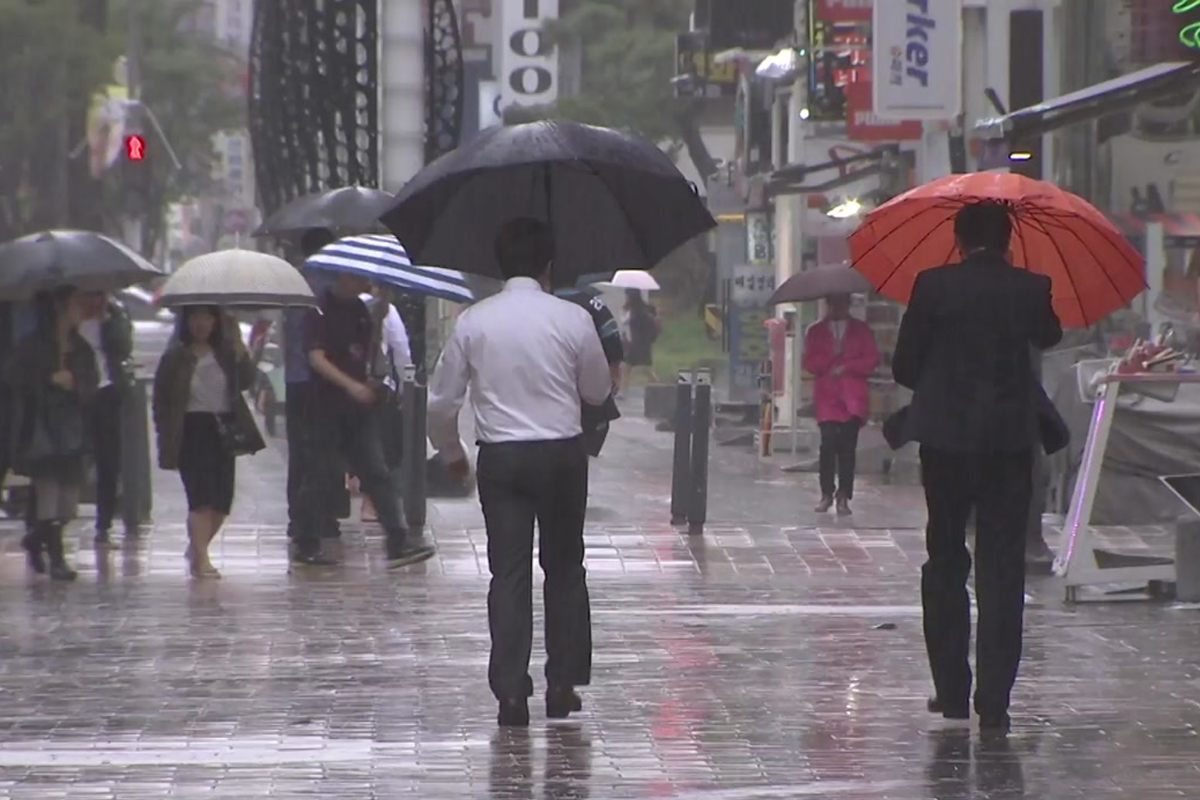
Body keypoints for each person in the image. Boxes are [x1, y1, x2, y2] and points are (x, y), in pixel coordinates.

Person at [427, 218, 612, 728]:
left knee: (508, 573)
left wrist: (453, 454)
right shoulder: (572, 319)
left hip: (502, 459)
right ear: (549, 263)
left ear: (500, 264)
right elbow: (597, 390)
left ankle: (511, 693)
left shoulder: (473, 322)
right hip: (560, 455)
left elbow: (442, 402)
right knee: (565, 568)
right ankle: (562, 683)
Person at [892, 201, 1063, 734]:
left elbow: (904, 366)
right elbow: (1050, 335)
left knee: (944, 558)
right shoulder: (1031, 287)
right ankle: (995, 700)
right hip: (1008, 445)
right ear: (1009, 240)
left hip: (944, 441)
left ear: (958, 240)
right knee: (1001, 567)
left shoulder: (932, 285)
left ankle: (951, 691)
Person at [294, 271, 435, 568]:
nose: (366, 284)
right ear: (343, 276)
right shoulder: (318, 311)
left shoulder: (360, 309)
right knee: (319, 474)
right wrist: (350, 385)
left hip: (359, 411)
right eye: (360, 278)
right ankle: (306, 541)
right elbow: (316, 358)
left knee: (376, 472)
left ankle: (398, 540)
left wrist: (379, 317)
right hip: (325, 407)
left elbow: (366, 351)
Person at [153, 306, 263, 578]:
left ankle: (197, 547)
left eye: (207, 317)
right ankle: (201, 560)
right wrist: (165, 434)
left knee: (221, 502)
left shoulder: (226, 353)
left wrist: (242, 351)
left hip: (223, 427)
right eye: (194, 317)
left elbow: (247, 382)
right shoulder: (176, 357)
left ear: (216, 321)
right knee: (200, 499)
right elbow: (161, 400)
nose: (201, 324)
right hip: (192, 428)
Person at [6, 286, 99, 581]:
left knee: (69, 497)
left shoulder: (79, 346)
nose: (79, 309)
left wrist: (76, 384)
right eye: (74, 302)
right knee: (48, 491)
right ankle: (56, 555)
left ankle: (36, 538)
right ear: (59, 306)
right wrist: (48, 379)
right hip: (42, 428)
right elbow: (15, 379)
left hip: (72, 428)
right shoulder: (33, 346)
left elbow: (91, 383)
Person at [283, 229, 344, 549]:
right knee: (325, 450)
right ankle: (321, 518)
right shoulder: (331, 282)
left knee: (300, 452)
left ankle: (298, 517)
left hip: (295, 379)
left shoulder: (291, 279)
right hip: (324, 379)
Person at [801, 293, 879, 516]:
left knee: (847, 447)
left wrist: (847, 367)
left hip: (852, 397)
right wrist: (829, 359)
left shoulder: (861, 330)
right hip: (827, 396)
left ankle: (844, 494)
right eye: (833, 303)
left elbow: (870, 360)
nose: (837, 307)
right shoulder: (816, 331)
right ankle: (826, 492)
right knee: (828, 445)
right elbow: (810, 363)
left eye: (841, 303)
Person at [77, 291, 134, 546]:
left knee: (108, 462)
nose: (96, 299)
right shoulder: (68, 320)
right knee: (67, 459)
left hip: (106, 392)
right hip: (75, 395)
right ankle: (50, 523)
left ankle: (104, 525)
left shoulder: (112, 317)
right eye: (92, 293)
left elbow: (123, 347)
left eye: (100, 293)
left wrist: (111, 318)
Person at [356, 284, 412, 522]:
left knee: (354, 441)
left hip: (348, 384)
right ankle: (371, 506)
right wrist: (403, 388)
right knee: (378, 445)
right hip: (378, 387)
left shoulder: (350, 304)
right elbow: (401, 351)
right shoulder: (388, 311)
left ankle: (353, 486)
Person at [556, 287, 623, 457]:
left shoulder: (537, 302)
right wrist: (615, 369)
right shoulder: (591, 302)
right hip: (587, 378)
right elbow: (611, 333)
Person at [621, 289, 660, 387]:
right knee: (632, 369)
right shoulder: (643, 308)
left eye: (627, 296)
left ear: (631, 297)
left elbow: (630, 323)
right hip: (642, 344)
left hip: (637, 345)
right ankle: (622, 392)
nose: (626, 298)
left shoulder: (638, 312)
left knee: (637, 369)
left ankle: (660, 387)